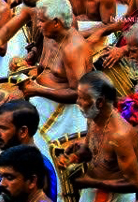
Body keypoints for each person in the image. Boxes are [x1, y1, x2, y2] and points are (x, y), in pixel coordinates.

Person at [58, 71, 138, 201]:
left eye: (82, 98)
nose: (77, 102)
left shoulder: (120, 136)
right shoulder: (93, 119)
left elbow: (134, 183)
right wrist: (74, 156)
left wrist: (92, 183)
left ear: (99, 102)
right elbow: (90, 150)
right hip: (92, 190)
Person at [25, 0, 92, 146]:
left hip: (63, 114)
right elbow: (42, 68)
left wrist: (38, 90)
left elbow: (78, 94)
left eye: (42, 20)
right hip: (41, 100)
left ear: (56, 22)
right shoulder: (49, 35)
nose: (38, 24)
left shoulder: (73, 48)